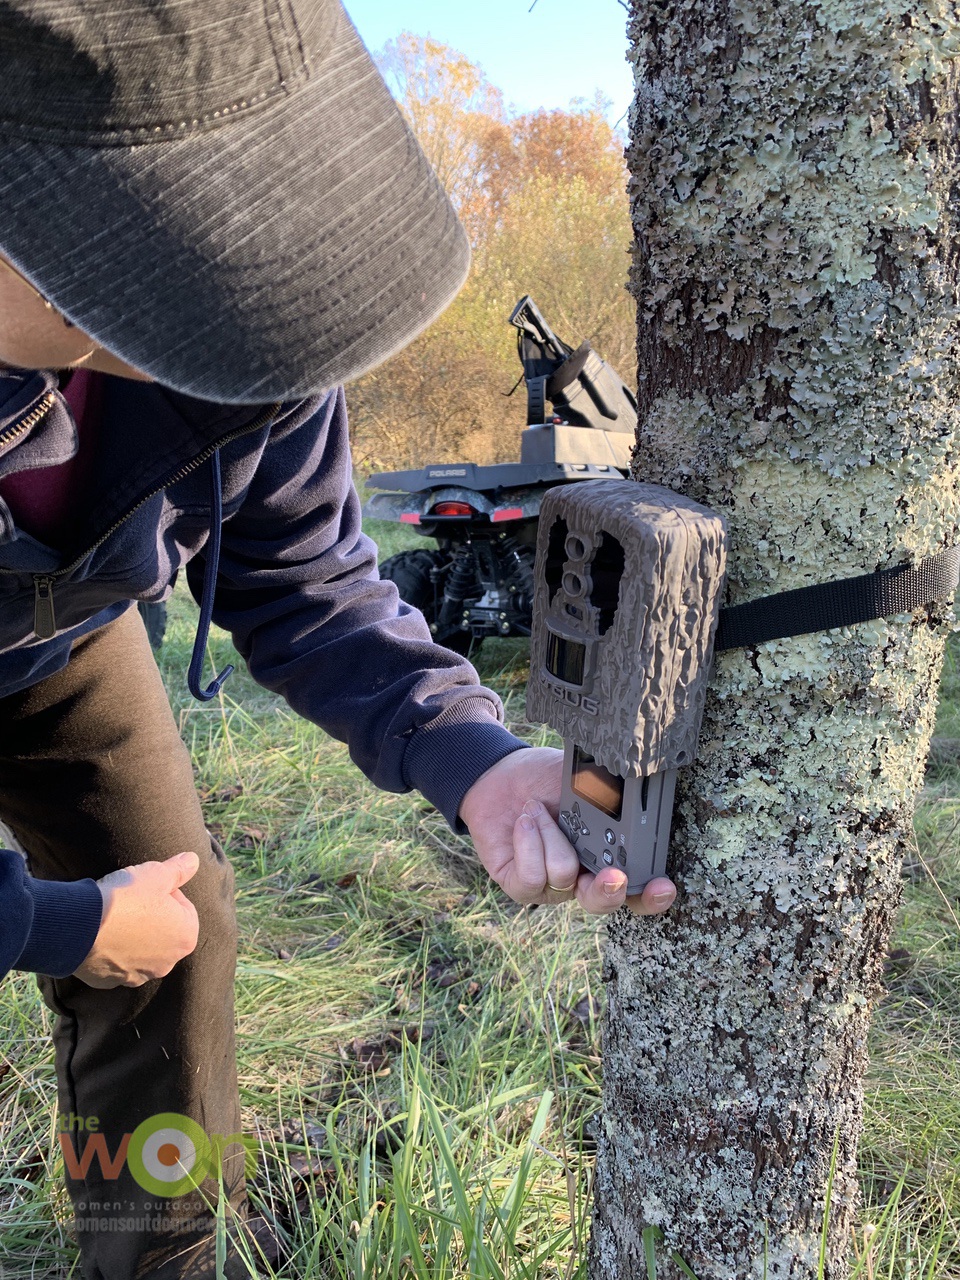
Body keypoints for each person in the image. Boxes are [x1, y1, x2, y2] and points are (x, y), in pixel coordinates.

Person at [0, 1, 677, 1276]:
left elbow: (306, 575)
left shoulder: (253, 313)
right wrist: (57, 921)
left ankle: (151, 1250)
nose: (222, 310)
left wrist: (471, 755)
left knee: (178, 927)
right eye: (156, 260)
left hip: (58, 638)